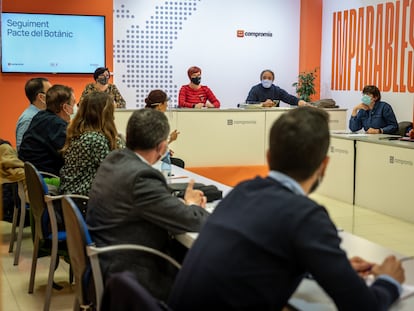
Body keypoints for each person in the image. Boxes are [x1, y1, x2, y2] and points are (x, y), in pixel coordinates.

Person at [169, 107, 404, 310]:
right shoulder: (307, 215)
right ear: (324, 165)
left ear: (269, 157)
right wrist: (389, 281)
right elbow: (364, 306)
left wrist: (326, 266)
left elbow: (262, 252)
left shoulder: (241, 192)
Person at [86, 108, 209, 301]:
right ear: (162, 147)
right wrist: (192, 204)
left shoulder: (114, 159)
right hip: (132, 273)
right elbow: (193, 222)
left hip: (106, 260)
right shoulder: (141, 177)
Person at [59, 92, 125, 196]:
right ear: (105, 114)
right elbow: (116, 171)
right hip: (85, 199)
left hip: (71, 195)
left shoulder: (79, 134)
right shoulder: (95, 139)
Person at [19, 85, 76, 176]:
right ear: (65, 107)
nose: (75, 108)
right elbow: (70, 156)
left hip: (29, 175)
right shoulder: (58, 125)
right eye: (73, 103)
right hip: (46, 177)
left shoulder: (40, 116)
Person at [16, 78, 52, 150]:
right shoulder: (28, 119)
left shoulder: (45, 115)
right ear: (41, 97)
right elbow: (22, 150)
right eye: (50, 92)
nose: (54, 95)